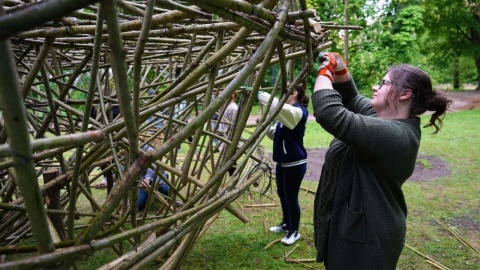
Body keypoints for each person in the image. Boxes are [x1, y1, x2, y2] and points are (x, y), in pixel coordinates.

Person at [312, 52, 451, 269]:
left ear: (405, 94)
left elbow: (329, 112)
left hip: (367, 240)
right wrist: (339, 67)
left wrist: (325, 72)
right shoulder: (383, 119)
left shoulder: (393, 135)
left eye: (383, 83)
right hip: (360, 228)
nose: (375, 88)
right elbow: (351, 97)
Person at [257, 84, 309, 245]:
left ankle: (294, 231)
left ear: (294, 92)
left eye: (285, 92)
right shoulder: (285, 115)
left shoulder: (298, 112)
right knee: (282, 194)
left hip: (295, 163)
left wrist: (260, 94)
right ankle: (286, 223)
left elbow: (275, 105)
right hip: (282, 163)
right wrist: (263, 125)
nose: (281, 96)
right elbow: (276, 134)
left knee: (291, 198)